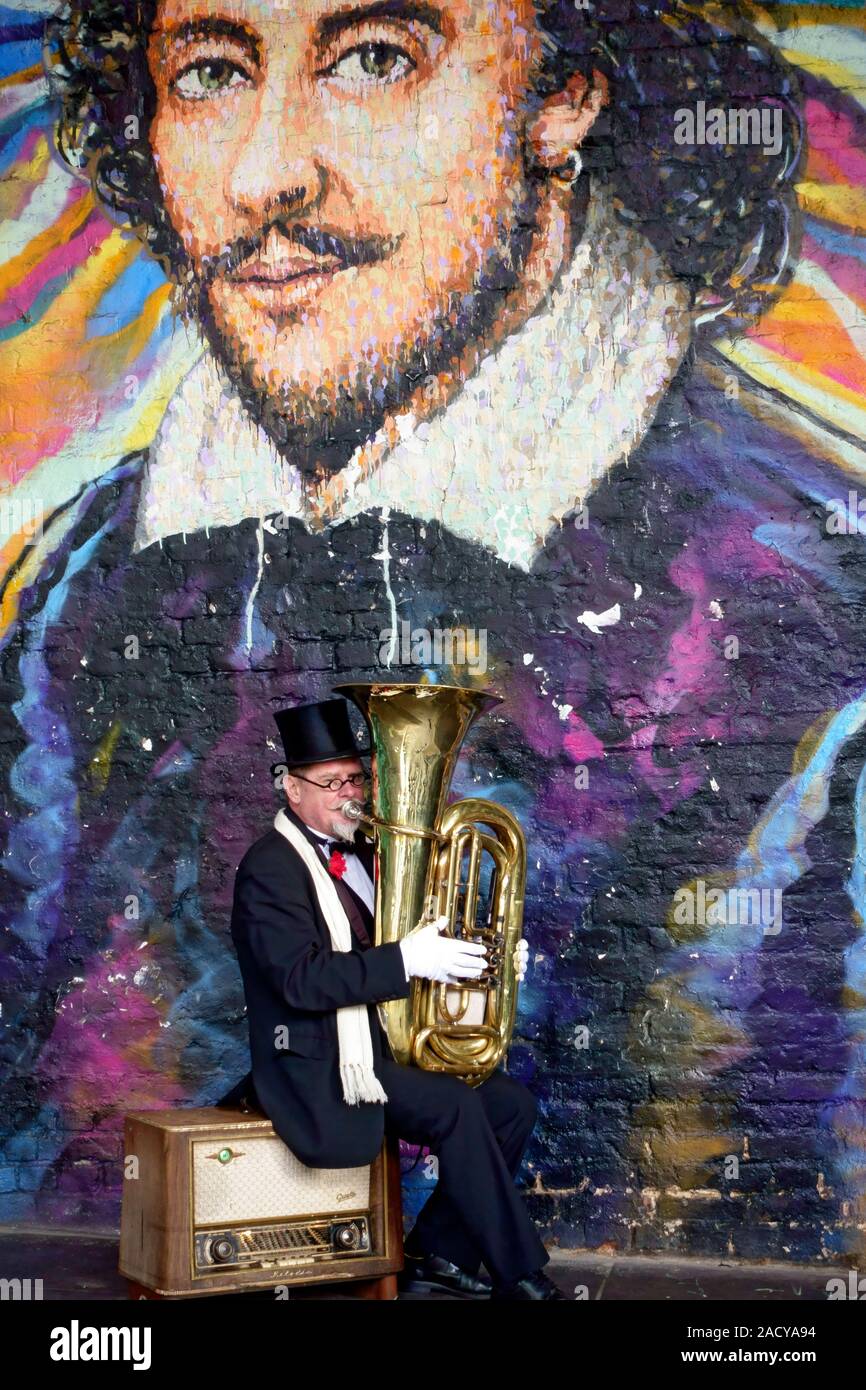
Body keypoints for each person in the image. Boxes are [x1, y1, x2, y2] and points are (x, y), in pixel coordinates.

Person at [4, 0, 866, 1266]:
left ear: (564, 95)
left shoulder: (800, 593)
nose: (262, 174)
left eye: (373, 58)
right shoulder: (82, 586)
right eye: (208, 71)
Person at [229, 695, 559, 1299]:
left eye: (355, 777)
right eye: (330, 783)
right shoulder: (269, 868)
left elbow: (416, 945)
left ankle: (439, 1254)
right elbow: (301, 981)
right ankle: (522, 1275)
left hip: (382, 1047)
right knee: (453, 1106)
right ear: (291, 789)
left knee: (510, 1104)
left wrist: (485, 960)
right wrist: (406, 960)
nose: (348, 793)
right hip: (320, 1063)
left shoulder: (366, 853)